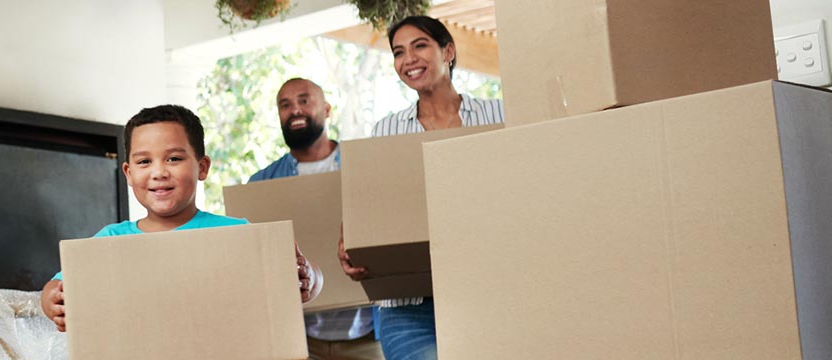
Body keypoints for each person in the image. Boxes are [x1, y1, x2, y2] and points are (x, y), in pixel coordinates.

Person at [40, 104, 321, 332]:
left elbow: (305, 278)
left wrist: (310, 278)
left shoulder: (236, 234)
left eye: (173, 159)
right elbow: (57, 286)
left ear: (202, 167)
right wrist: (52, 301)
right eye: (144, 162)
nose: (159, 172)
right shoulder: (109, 241)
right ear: (128, 173)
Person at [340, 15, 504, 360]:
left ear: (448, 51)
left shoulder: (495, 116)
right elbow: (369, 202)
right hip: (407, 305)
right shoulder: (387, 129)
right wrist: (350, 242)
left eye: (420, 46)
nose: (408, 59)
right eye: (399, 52)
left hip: (487, 289)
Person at [250, 78, 383, 360]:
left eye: (304, 100)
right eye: (285, 105)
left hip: (368, 335)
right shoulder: (260, 184)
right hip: (299, 341)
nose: (294, 110)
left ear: (328, 109)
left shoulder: (366, 168)